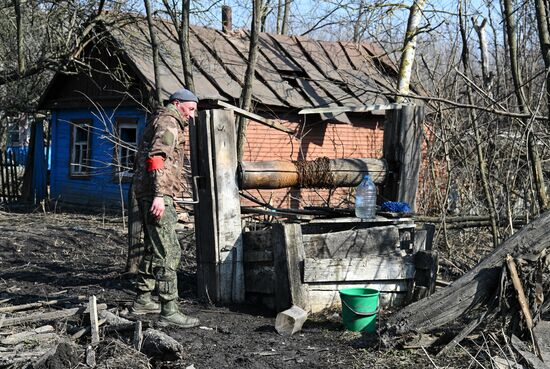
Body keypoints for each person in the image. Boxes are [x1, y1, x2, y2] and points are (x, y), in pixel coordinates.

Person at [131, 87, 200, 328]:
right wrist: (160, 195)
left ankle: (142, 299)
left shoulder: (162, 119)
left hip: (149, 191)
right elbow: (157, 157)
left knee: (153, 247)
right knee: (169, 251)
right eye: (190, 109)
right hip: (156, 194)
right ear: (178, 103)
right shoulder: (170, 121)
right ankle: (169, 310)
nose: (192, 115)